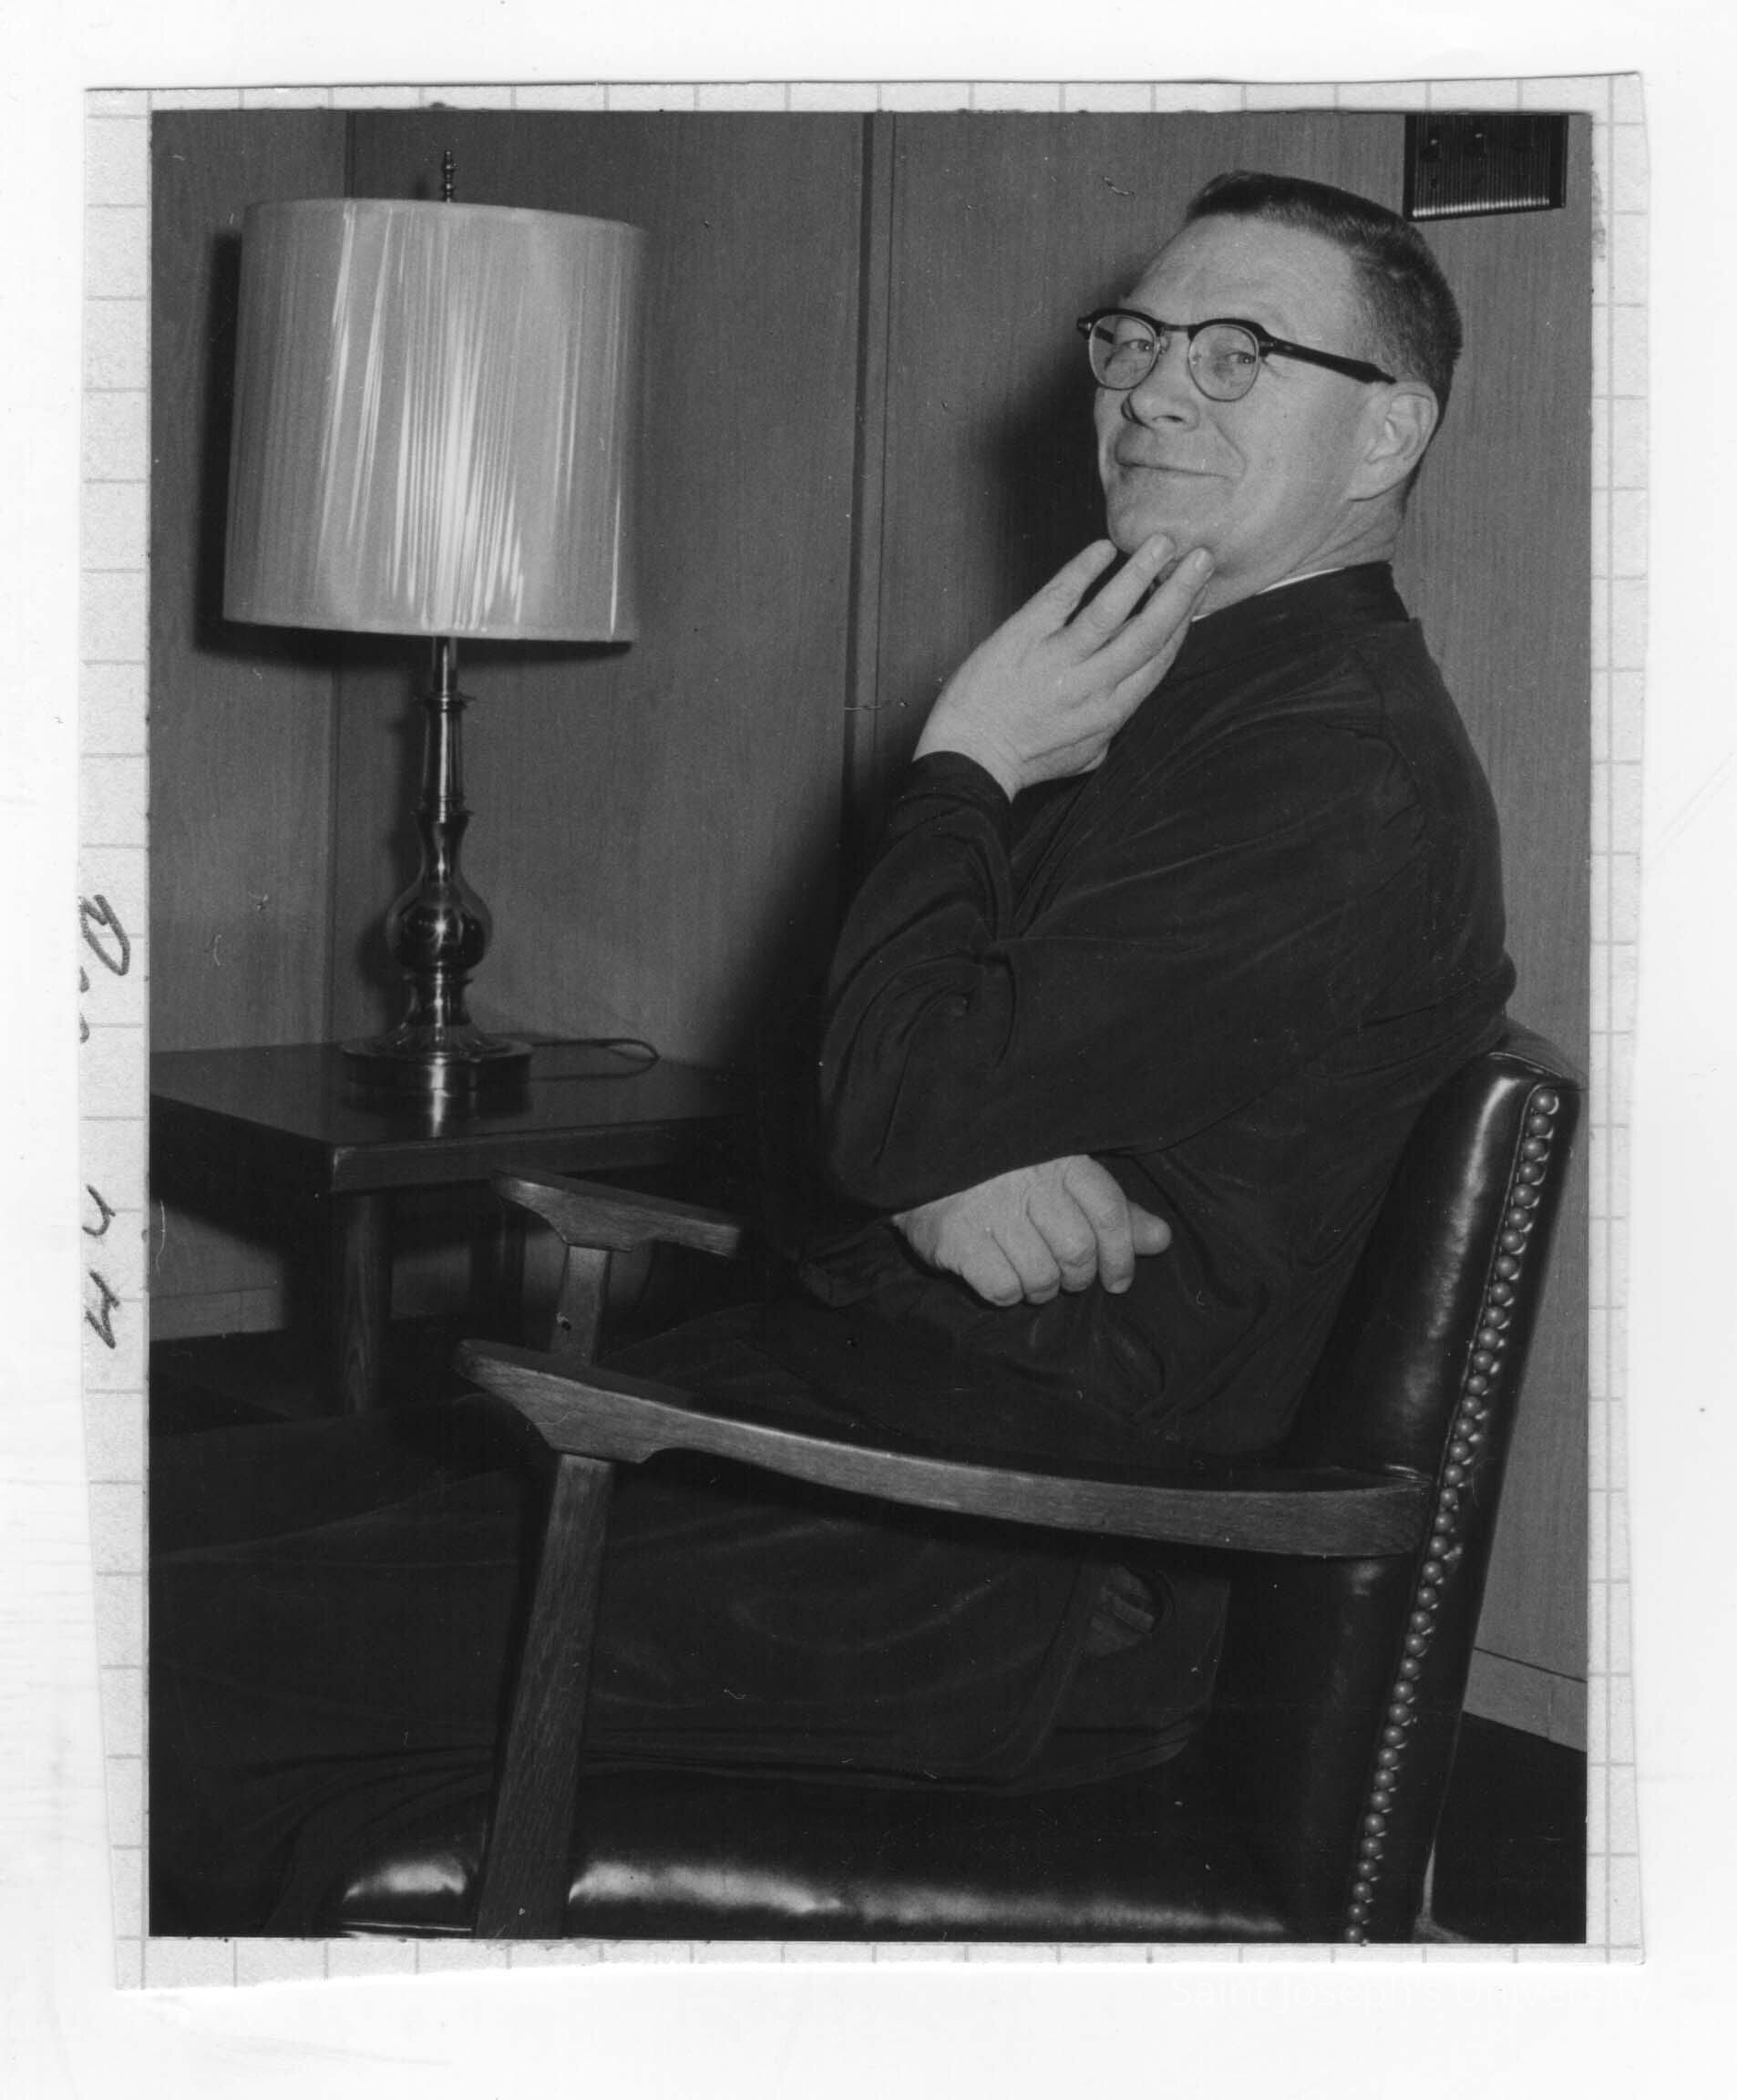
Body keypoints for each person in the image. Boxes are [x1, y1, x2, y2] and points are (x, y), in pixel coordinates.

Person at [149, 170, 1513, 1933]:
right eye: (1136, 339)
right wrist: (929, 1174)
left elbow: (882, 1103)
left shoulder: (1323, 767)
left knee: (131, 1634)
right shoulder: (1176, 691)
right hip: (828, 1428)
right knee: (143, 1513)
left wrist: (962, 764)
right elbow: (856, 1114)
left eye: (1237, 353)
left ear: (1387, 428)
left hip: (969, 1559)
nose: (1155, 391)